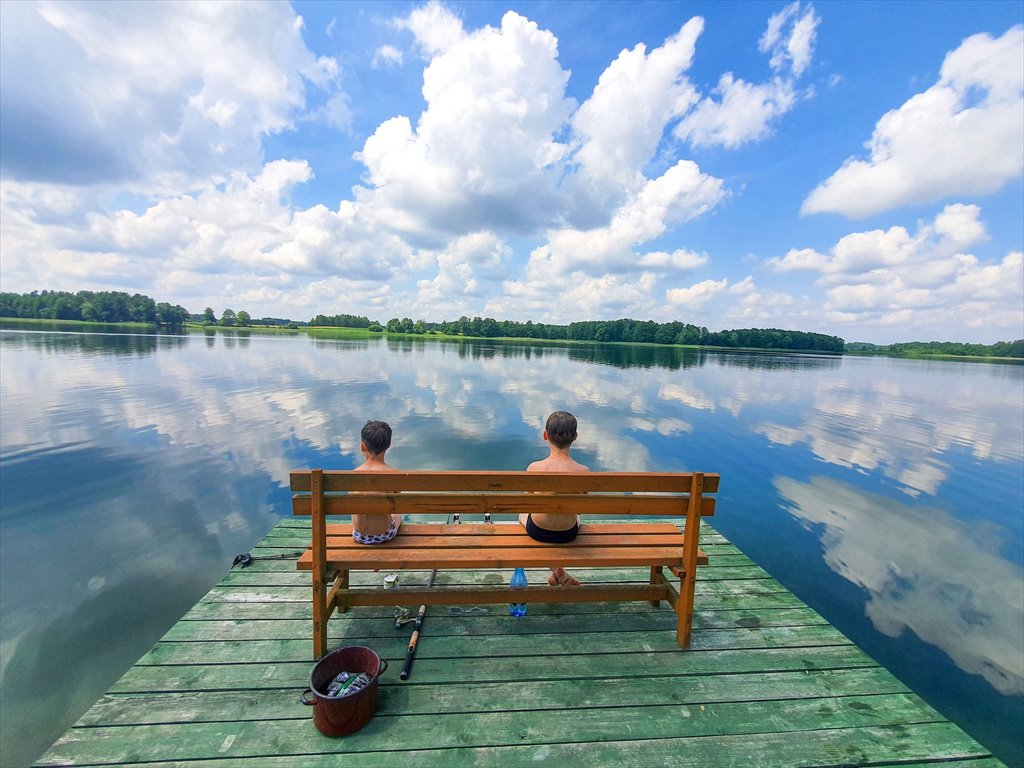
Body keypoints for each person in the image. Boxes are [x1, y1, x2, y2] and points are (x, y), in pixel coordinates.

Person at [519, 410, 588, 586]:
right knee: (576, 516)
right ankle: (560, 573)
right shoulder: (583, 472)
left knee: (522, 514)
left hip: (538, 531)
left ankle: (559, 572)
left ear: (545, 435)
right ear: (575, 437)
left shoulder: (534, 468)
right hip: (568, 533)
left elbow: (528, 503)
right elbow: (581, 508)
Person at [351, 420, 403, 545]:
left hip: (359, 536)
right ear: (389, 445)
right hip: (384, 536)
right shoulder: (395, 474)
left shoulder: (352, 475)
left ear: (363, 446)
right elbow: (397, 504)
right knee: (398, 516)